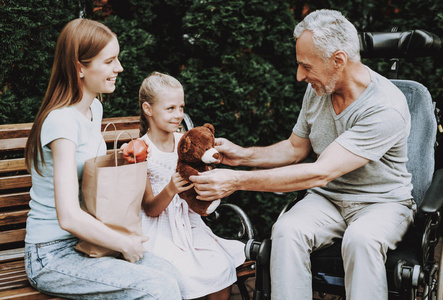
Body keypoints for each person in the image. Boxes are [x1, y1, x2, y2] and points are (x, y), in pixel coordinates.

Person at [189, 9, 415, 300]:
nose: (300, 76)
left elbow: (321, 171)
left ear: (338, 61)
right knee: (286, 230)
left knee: (361, 240)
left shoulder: (385, 108)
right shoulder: (320, 88)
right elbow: (295, 148)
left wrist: (235, 181)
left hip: (381, 202)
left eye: (306, 66)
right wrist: (242, 156)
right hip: (329, 198)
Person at [24, 18, 182, 299]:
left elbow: (89, 174)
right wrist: (123, 242)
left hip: (88, 242)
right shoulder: (61, 122)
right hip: (51, 255)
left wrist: (122, 158)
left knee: (172, 276)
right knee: (158, 288)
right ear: (79, 67)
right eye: (109, 61)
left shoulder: (93, 109)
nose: (119, 68)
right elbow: (69, 217)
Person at [136, 72, 246, 300]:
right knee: (182, 274)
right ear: (148, 109)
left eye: (181, 107)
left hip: (190, 223)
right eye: (170, 108)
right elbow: (150, 209)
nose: (178, 115)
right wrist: (170, 189)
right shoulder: (141, 151)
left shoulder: (185, 142)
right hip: (160, 230)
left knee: (220, 266)